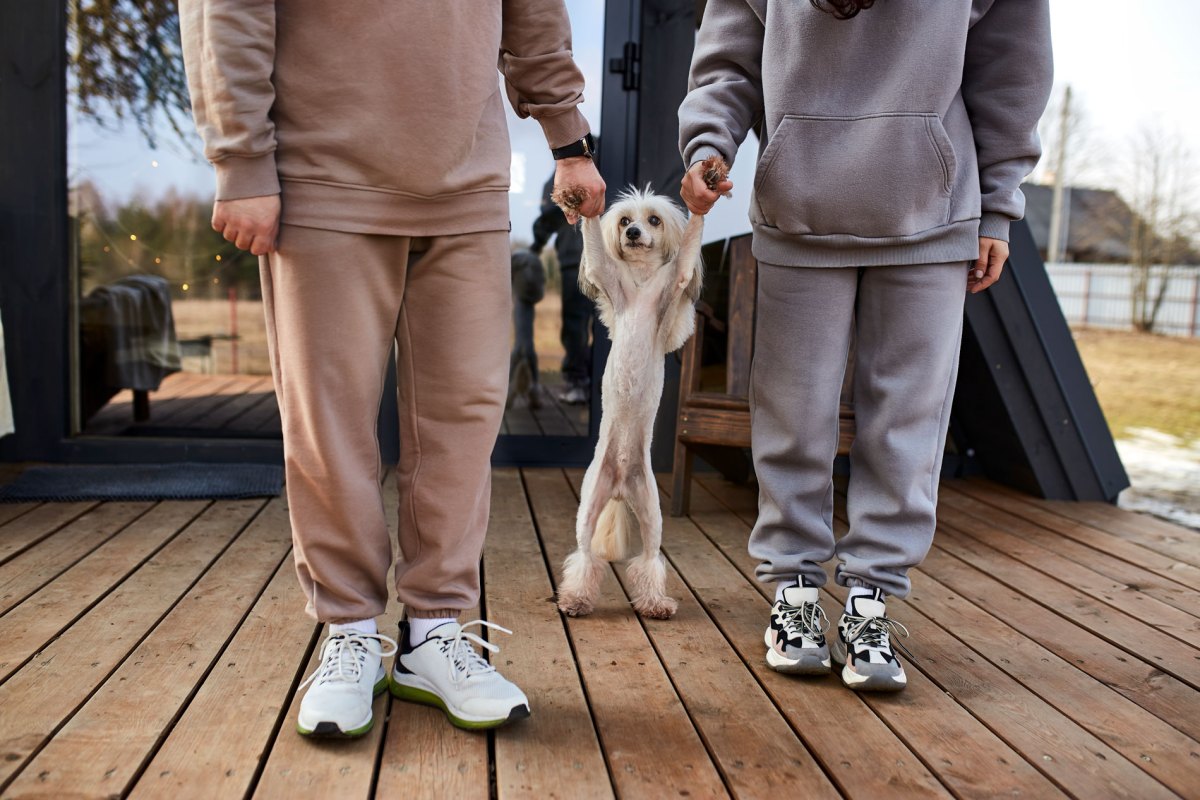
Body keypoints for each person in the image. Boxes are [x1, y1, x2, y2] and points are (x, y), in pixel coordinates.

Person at [179, 0, 605, 735]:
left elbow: (531, 7)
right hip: (322, 172)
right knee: (330, 419)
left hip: (466, 176)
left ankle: (433, 633)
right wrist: (242, 155)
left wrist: (568, 137)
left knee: (465, 415)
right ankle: (349, 632)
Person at [678, 0, 1052, 691]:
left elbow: (1013, 65)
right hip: (799, 208)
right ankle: (793, 591)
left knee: (907, 421)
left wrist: (999, 203)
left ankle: (869, 602)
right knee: (792, 412)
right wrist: (710, 142)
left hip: (932, 213)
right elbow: (729, 55)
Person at [531, 174, 593, 405]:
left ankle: (577, 381)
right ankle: (592, 380)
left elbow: (549, 216)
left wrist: (536, 244)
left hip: (575, 259)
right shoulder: (607, 162)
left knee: (575, 324)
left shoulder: (561, 175)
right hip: (603, 257)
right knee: (604, 324)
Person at [508, 248, 547, 409]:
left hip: (521, 304)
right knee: (527, 349)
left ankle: (508, 394)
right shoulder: (529, 264)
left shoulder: (516, 263)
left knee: (520, 350)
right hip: (526, 304)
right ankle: (534, 391)